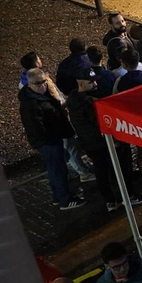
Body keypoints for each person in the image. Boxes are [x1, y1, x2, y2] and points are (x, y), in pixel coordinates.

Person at [66, 66, 142, 210]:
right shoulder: (89, 103)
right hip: (103, 143)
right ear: (82, 84)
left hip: (89, 144)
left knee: (101, 172)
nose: (95, 84)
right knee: (119, 170)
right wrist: (115, 141)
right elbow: (101, 124)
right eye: (91, 82)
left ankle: (110, 201)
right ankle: (129, 197)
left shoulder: (73, 99)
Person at [20, 68, 83, 210]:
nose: (42, 86)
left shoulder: (36, 97)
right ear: (29, 84)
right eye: (37, 83)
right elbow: (36, 127)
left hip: (51, 139)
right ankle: (65, 200)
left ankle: (59, 196)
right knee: (58, 170)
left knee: (56, 169)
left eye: (43, 82)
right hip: (49, 141)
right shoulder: (31, 104)